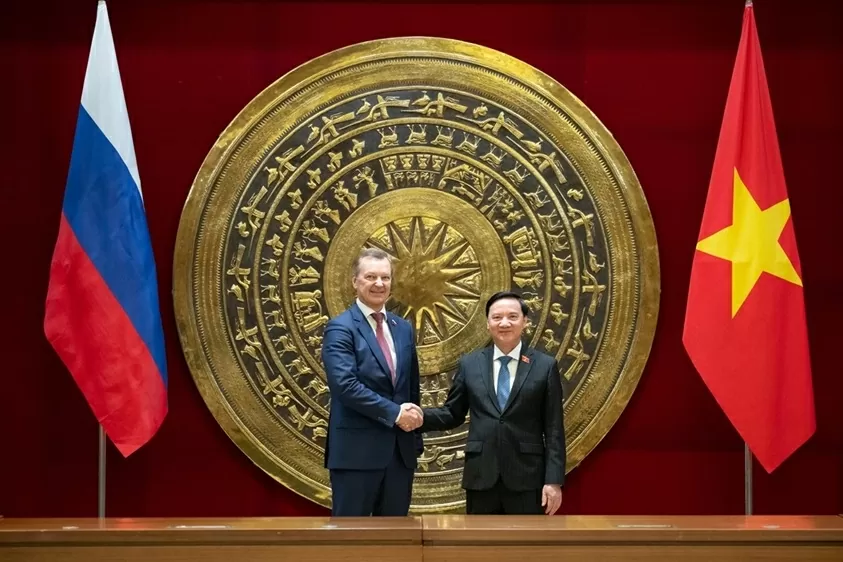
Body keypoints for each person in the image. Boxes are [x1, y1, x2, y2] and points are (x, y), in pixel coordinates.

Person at [415, 291, 565, 515]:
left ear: (525, 322)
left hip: (526, 477)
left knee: (524, 548)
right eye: (497, 317)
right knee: (479, 547)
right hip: (481, 475)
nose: (504, 323)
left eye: (512, 317)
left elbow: (553, 429)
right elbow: (452, 413)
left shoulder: (544, 366)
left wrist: (553, 481)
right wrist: (414, 417)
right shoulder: (470, 364)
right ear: (488, 323)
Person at [321, 247, 423, 516]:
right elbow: (345, 386)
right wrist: (395, 413)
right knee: (350, 544)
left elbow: (411, 385)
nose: (379, 284)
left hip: (399, 457)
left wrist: (414, 439)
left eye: (385, 278)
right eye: (371, 277)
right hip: (356, 456)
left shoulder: (403, 328)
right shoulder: (340, 328)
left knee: (395, 544)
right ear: (355, 282)